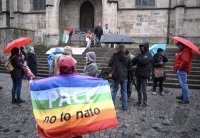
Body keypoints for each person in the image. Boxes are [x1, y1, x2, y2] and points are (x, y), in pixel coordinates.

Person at [108, 45, 131, 111]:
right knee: (124, 91)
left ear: (118, 49)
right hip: (124, 76)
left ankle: (112, 106)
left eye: (117, 48)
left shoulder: (115, 56)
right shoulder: (127, 57)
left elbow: (109, 64)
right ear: (124, 50)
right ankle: (124, 106)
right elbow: (130, 66)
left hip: (116, 76)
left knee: (114, 90)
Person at [132, 42, 153, 108]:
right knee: (138, 89)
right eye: (141, 47)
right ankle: (139, 101)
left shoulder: (149, 54)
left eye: (143, 47)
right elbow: (133, 60)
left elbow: (144, 61)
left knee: (144, 90)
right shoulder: (141, 54)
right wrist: (139, 60)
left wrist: (138, 61)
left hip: (144, 75)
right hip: (138, 74)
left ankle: (145, 103)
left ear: (146, 47)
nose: (142, 48)